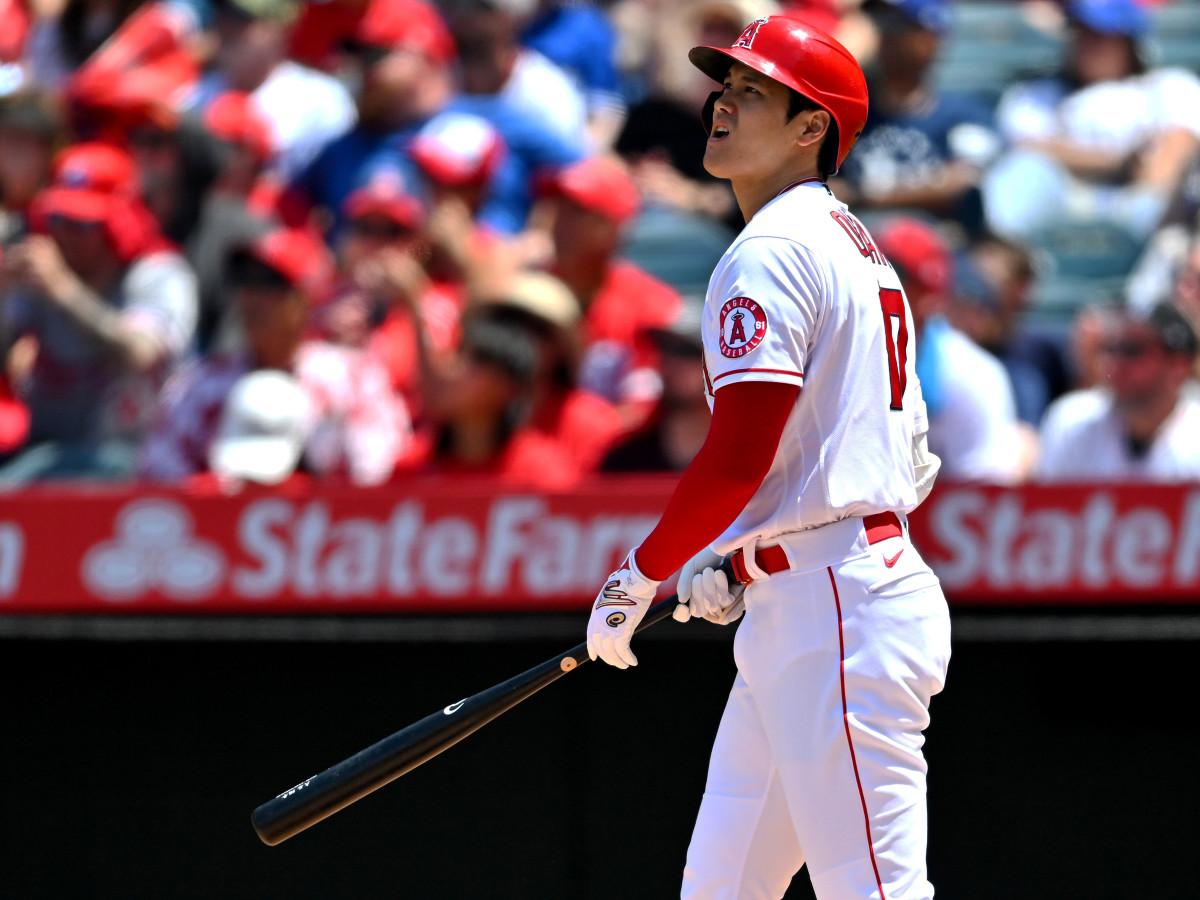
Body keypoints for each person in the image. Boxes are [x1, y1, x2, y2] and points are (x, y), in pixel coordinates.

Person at [580, 16, 950, 899]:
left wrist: (643, 574)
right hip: (812, 598)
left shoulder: (775, 249)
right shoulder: (851, 243)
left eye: (752, 91)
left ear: (810, 125)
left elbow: (738, 454)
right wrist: (744, 552)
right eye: (725, 84)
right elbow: (898, 453)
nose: (721, 101)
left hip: (840, 610)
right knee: (720, 887)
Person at [137, 225, 412, 485]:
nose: (253, 298)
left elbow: (380, 475)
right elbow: (159, 477)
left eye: (270, 284)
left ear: (305, 298)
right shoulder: (197, 386)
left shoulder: (353, 379)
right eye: (245, 281)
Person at [0, 141, 198, 483]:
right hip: (48, 454)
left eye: (83, 224)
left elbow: (139, 352)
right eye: (57, 218)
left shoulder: (158, 274)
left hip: (139, 461)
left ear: (117, 223)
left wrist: (65, 291)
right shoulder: (40, 275)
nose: (65, 235)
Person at [983, 0, 1200, 244]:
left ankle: (1136, 244)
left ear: (1128, 42)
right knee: (1022, 169)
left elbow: (1180, 144)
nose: (1088, 44)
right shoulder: (1036, 94)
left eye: (1101, 35)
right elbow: (1028, 148)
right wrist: (1120, 161)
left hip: (1146, 201)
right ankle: (1003, 251)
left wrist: (1142, 183)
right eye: (1081, 32)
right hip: (1066, 197)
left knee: (1167, 157)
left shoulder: (1170, 86)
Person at [874, 214, 1033, 484]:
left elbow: (984, 495)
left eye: (896, 274)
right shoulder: (828, 350)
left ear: (930, 299)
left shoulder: (973, 374)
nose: (876, 284)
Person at [830, 0, 1001, 240]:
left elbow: (961, 182)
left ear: (932, 39)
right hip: (853, 244)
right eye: (883, 23)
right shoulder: (845, 112)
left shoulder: (966, 112)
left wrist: (861, 195)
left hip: (940, 247)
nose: (887, 34)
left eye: (899, 25)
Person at [1036, 301, 1200, 481]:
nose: (1115, 362)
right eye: (1111, 348)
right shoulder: (1071, 421)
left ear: (1178, 366)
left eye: (1132, 350)